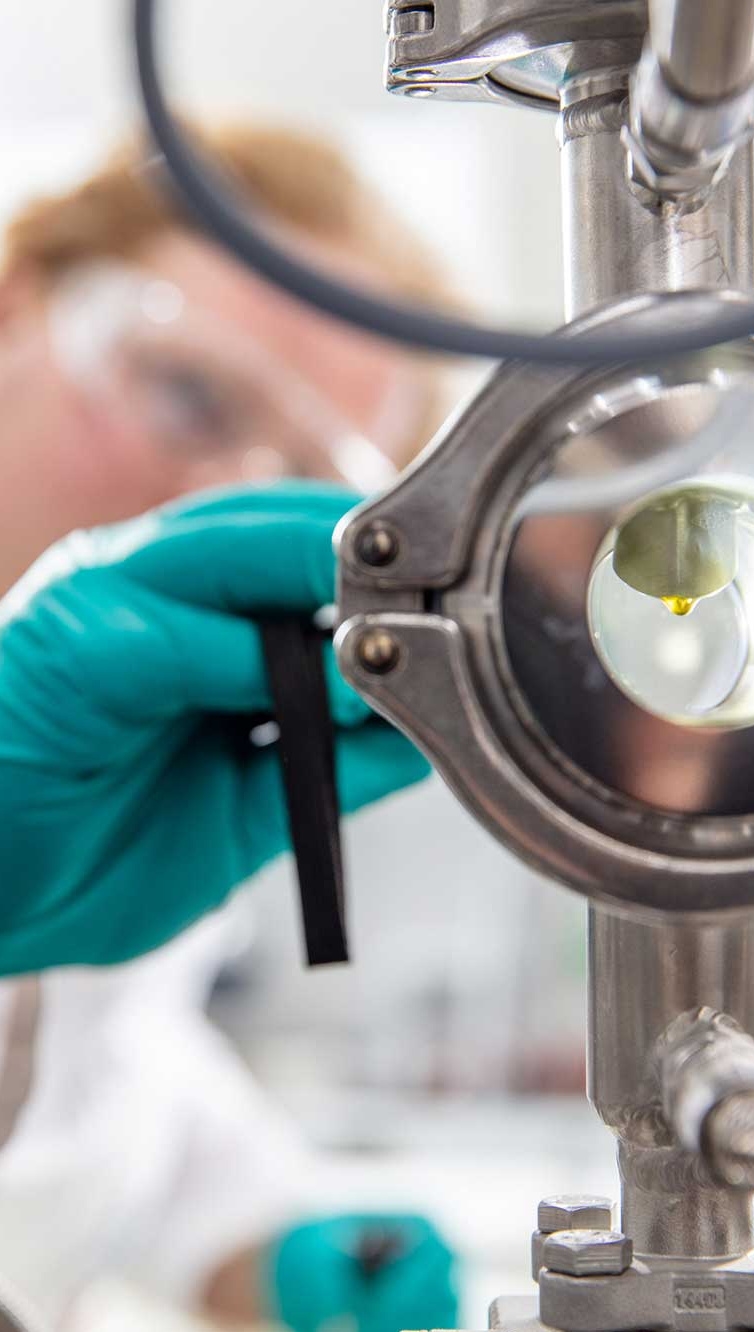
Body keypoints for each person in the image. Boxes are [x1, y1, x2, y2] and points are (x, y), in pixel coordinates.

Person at [0, 124, 460, 1329]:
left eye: (302, 482)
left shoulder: (128, 772)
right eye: (190, 394)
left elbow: (112, 1093)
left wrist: (260, 1245)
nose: (222, 504)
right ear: (12, 309)